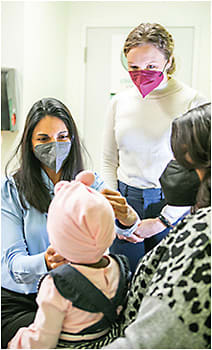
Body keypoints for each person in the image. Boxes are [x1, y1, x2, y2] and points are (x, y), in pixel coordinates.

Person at [101, 102, 211, 349]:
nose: (171, 167)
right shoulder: (199, 220)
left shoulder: (203, 238)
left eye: (180, 159)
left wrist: (163, 220)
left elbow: (152, 339)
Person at [101, 22, 208, 273]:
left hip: (173, 202)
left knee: (164, 282)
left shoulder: (193, 101)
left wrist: (164, 220)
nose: (142, 74)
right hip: (125, 200)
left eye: (151, 66)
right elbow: (108, 160)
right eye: (134, 68)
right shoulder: (120, 102)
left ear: (168, 61)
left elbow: (202, 169)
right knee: (124, 280)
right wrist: (117, 210)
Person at [1, 97, 106, 348]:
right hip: (22, 300)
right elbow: (12, 262)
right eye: (44, 139)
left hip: (74, 295)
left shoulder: (90, 184)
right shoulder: (12, 190)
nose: (54, 146)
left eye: (62, 136)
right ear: (30, 143)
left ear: (72, 138)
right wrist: (45, 262)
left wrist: (127, 219)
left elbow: (118, 229)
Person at [8, 171, 130, 349]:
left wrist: (17, 341)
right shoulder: (119, 266)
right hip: (109, 341)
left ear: (57, 235)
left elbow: (42, 341)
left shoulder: (56, 284)